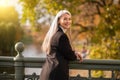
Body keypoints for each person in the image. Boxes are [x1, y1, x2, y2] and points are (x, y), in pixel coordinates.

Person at [39, 10, 83, 80]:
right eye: (65, 19)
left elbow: (62, 51)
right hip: (56, 75)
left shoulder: (53, 34)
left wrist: (74, 53)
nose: (68, 21)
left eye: (69, 19)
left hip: (47, 72)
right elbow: (70, 56)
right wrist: (75, 54)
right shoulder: (62, 36)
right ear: (58, 21)